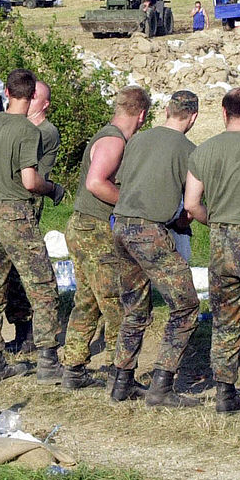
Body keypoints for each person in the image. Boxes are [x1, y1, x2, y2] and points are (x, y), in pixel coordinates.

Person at [0, 68, 64, 382]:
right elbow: (30, 181)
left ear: (6, 92)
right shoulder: (28, 131)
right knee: (43, 287)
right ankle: (47, 360)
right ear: (33, 96)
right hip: (15, 215)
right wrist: (53, 188)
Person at [110, 90, 201, 408]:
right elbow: (189, 206)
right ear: (193, 117)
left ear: (166, 111)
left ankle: (121, 382)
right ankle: (162, 386)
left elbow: (124, 183)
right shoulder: (191, 151)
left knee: (134, 309)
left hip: (120, 226)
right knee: (186, 306)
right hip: (150, 231)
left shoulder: (137, 140)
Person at [60, 86, 151, 392]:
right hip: (96, 229)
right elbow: (96, 183)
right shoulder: (113, 139)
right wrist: (129, 203)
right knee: (115, 302)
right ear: (141, 115)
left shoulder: (108, 135)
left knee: (87, 299)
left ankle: (73, 366)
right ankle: (118, 371)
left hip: (83, 226)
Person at [183, 87, 240, 415]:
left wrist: (216, 221)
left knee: (225, 319)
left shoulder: (204, 150)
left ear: (224, 112)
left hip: (220, 243)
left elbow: (191, 204)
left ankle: (224, 392)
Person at [4, 80, 59, 353]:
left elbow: (28, 173)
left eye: (35, 97)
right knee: (10, 269)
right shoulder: (21, 129)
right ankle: (21, 328)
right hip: (11, 201)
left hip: (28, 201)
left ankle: (32, 332)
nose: (29, 99)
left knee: (26, 269)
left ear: (44, 104)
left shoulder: (44, 132)